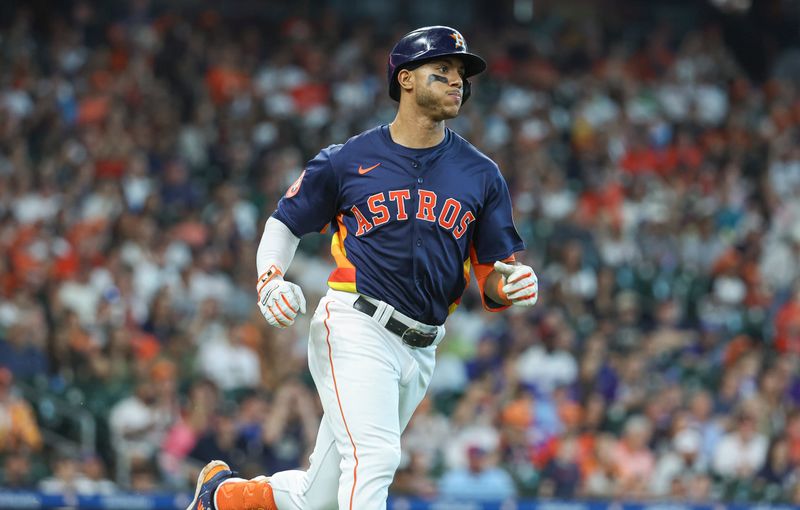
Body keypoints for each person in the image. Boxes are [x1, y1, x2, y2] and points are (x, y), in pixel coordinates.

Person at [186, 25, 538, 510]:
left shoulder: (481, 173)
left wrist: (512, 283)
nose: (458, 81)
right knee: (374, 458)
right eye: (443, 71)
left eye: (461, 74)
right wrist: (269, 278)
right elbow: (284, 223)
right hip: (357, 323)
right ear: (406, 80)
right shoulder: (349, 160)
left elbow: (491, 279)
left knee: (321, 498)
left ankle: (220, 499)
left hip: (421, 347)